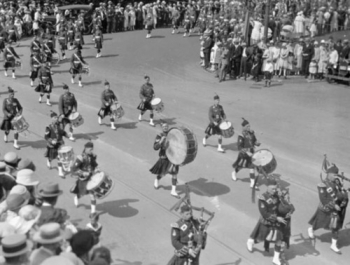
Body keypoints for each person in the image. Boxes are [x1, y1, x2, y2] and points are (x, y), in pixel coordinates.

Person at [308, 164, 349, 254]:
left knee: (336, 227)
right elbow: (323, 199)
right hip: (326, 209)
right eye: (334, 174)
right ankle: (311, 229)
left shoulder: (337, 182)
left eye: (336, 174)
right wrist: (333, 206)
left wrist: (344, 197)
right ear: (329, 174)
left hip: (336, 211)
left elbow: (341, 192)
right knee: (319, 223)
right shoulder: (322, 185)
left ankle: (333, 245)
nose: (336, 176)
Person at [247, 178, 288, 265]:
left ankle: (276, 259)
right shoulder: (263, 198)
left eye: (275, 188)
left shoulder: (276, 195)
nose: (274, 190)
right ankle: (251, 242)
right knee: (261, 238)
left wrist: (283, 196)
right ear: (268, 188)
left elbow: (280, 205)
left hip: (276, 223)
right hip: (266, 223)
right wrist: (277, 218)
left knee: (279, 239)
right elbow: (264, 213)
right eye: (273, 189)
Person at [150, 122, 180, 197]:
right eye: (164, 126)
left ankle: (173, 191)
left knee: (174, 174)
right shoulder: (159, 136)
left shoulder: (172, 135)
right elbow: (155, 147)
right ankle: (157, 179)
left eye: (167, 126)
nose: (165, 127)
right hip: (164, 157)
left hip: (173, 157)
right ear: (162, 127)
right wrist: (160, 141)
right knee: (163, 173)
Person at [231, 118, 261, 189]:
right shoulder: (241, 135)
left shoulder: (251, 133)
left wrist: (257, 143)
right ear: (243, 127)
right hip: (244, 154)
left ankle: (252, 183)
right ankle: (234, 172)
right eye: (247, 126)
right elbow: (239, 147)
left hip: (251, 153)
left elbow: (254, 141)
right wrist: (247, 152)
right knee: (241, 166)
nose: (249, 127)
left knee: (252, 167)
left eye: (249, 126)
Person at [71, 142, 99, 214]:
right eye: (90, 149)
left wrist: (96, 169)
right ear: (86, 148)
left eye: (92, 149)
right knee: (82, 193)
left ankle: (93, 212)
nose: (91, 151)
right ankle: (77, 197)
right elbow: (74, 169)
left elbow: (94, 164)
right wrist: (83, 172)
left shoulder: (92, 156)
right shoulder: (80, 157)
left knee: (93, 195)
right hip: (83, 179)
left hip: (91, 177)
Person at [44, 111, 69, 177]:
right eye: (55, 117)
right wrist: (51, 141)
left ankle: (60, 172)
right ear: (52, 118)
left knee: (60, 157)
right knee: (51, 157)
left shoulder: (59, 125)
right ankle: (49, 161)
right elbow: (46, 136)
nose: (56, 119)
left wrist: (66, 135)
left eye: (57, 117)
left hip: (60, 143)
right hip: (52, 145)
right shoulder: (48, 127)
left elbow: (62, 132)